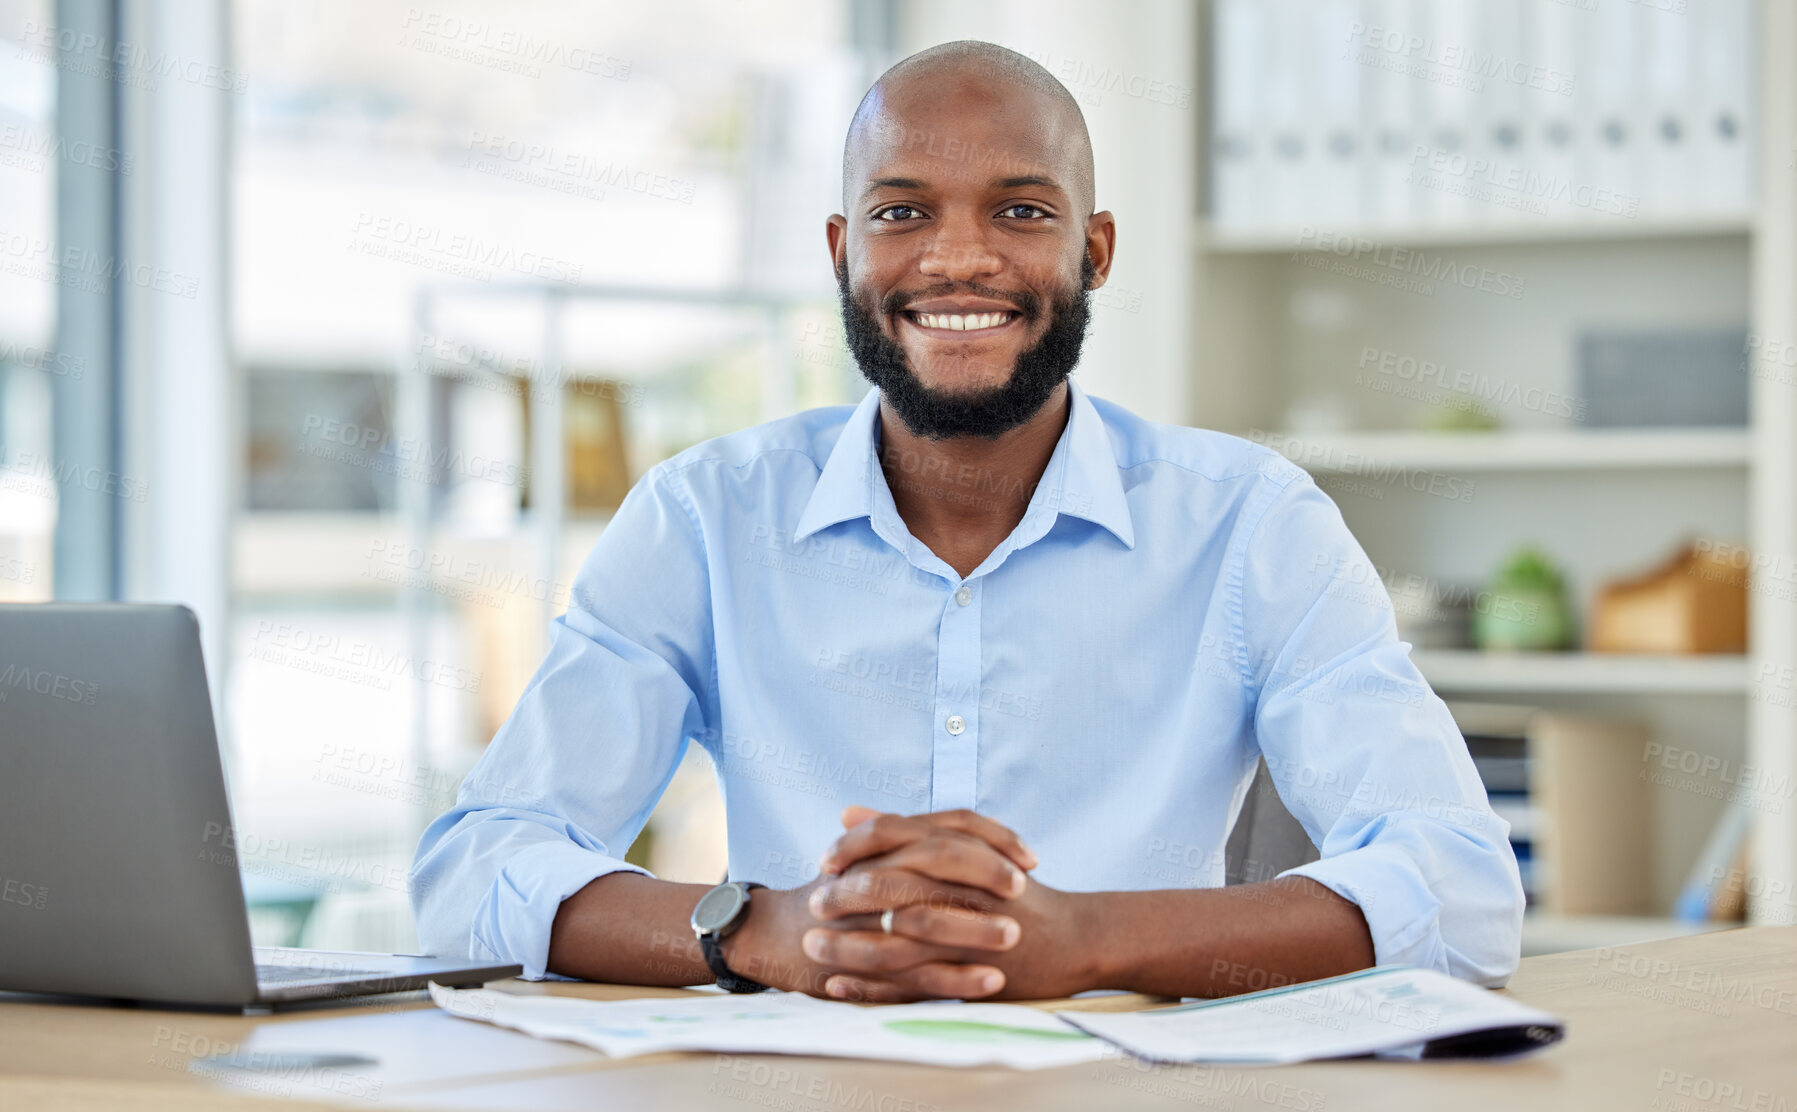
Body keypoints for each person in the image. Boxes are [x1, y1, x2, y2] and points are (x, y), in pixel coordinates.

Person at [412, 40, 1524, 1002]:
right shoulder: (705, 516)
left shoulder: (1251, 524)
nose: (958, 257)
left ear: (1094, 251)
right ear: (844, 248)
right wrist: (771, 933)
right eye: (904, 212)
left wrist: (1086, 939)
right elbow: (474, 874)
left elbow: (1462, 889)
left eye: (1021, 210)